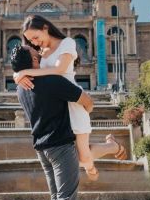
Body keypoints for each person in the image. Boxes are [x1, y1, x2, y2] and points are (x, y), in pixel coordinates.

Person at [14, 14, 127, 179]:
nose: (34, 42)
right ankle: (92, 164)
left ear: (45, 28)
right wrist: (19, 74)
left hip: (72, 101)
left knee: (83, 156)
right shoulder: (40, 52)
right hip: (55, 109)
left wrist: (24, 72)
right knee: (74, 156)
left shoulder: (66, 43)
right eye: (31, 40)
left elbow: (59, 70)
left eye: (36, 37)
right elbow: (25, 62)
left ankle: (112, 147)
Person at [11, 44, 91, 200]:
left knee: (56, 199)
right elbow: (86, 101)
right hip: (61, 146)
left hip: (41, 149)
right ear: (34, 62)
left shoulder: (21, 87)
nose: (43, 55)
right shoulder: (52, 81)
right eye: (38, 54)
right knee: (66, 197)